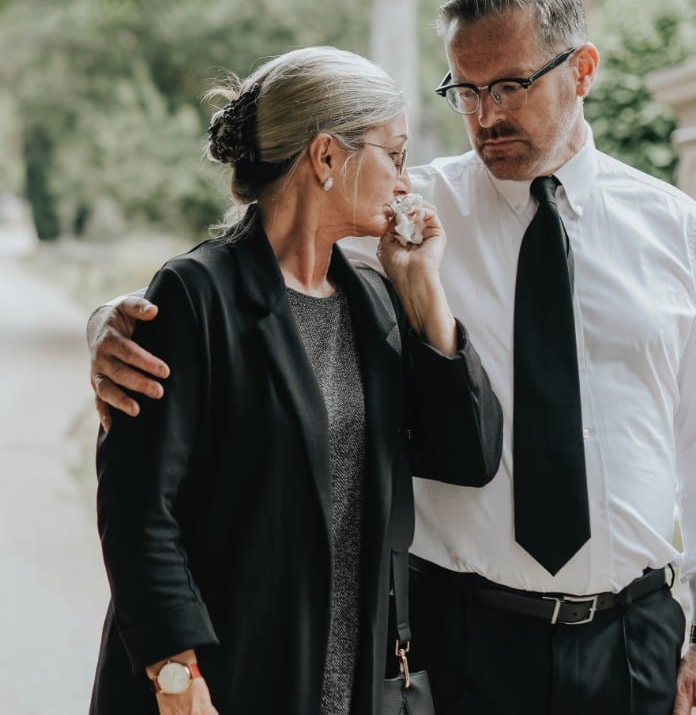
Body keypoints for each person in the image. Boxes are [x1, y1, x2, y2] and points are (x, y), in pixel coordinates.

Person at [89, 0, 696, 715]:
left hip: (630, 640)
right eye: (465, 90)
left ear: (581, 70)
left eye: (507, 86)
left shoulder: (672, 228)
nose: (484, 116)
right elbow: (258, 268)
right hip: (458, 641)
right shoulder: (405, 216)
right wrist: (108, 323)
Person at [90, 46, 502, 715]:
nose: (406, 182)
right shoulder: (196, 296)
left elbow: (468, 454)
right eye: (393, 154)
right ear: (326, 157)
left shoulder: (371, 300)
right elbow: (138, 515)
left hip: (345, 685)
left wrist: (423, 289)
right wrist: (177, 681)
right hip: (215, 682)